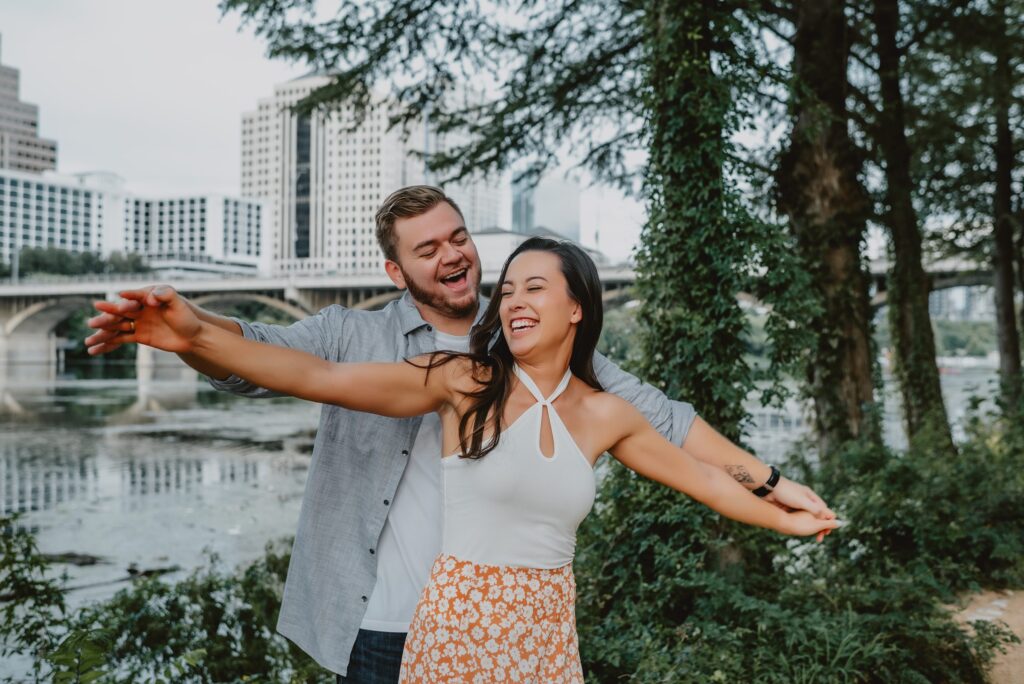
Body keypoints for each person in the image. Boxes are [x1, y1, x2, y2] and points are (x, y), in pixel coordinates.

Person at [85, 186, 834, 682]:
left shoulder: (542, 355)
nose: (452, 256)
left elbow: (672, 428)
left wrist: (772, 485)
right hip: (378, 619)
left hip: (533, 634)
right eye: (427, 248)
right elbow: (280, 363)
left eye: (458, 237)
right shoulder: (371, 340)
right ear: (395, 268)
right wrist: (190, 332)